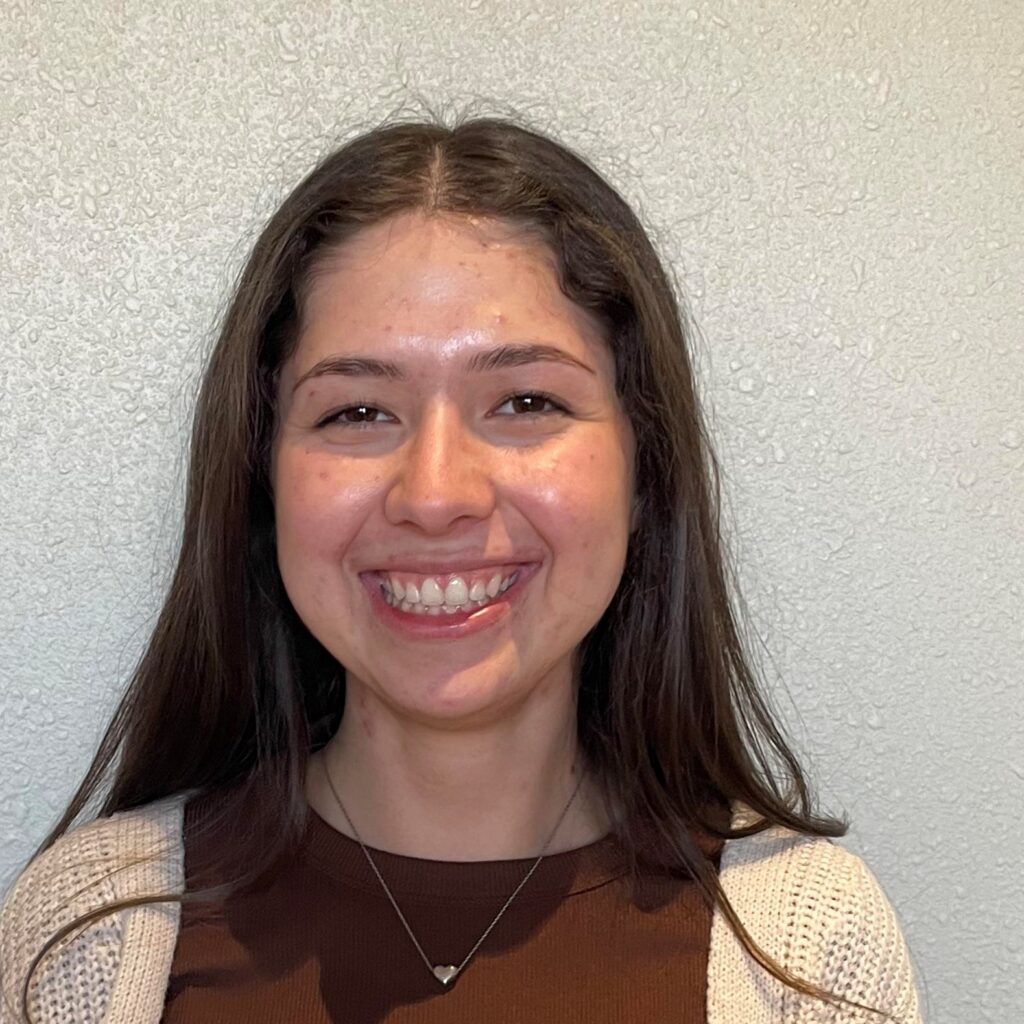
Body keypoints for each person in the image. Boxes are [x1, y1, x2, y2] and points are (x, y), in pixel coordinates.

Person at [0, 116, 924, 1024]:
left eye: (525, 401)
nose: (435, 494)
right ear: (262, 478)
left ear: (644, 471)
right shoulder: (89, 936)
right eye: (358, 412)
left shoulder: (808, 951)